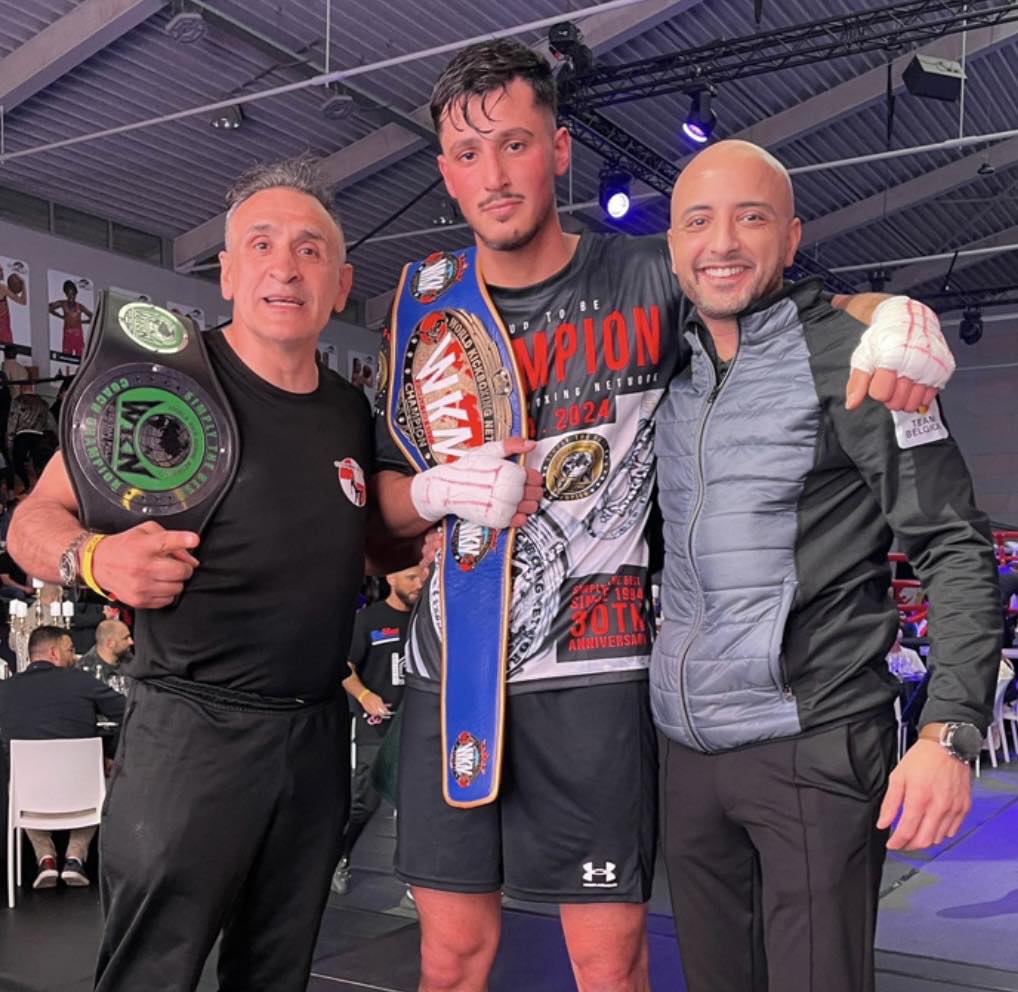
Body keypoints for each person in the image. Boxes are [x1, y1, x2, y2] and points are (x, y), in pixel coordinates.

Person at [371, 38, 958, 992]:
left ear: (560, 151)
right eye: (470, 154)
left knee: (611, 965)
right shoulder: (424, 307)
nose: (495, 175)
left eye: (516, 144)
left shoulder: (648, 272)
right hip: (458, 668)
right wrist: (432, 494)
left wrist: (889, 311)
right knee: (448, 957)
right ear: (446, 171)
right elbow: (385, 505)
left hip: (602, 677)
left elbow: (769, 298)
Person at [7, 156, 537, 992]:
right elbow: (30, 522)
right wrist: (96, 558)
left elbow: (363, 542)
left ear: (340, 284)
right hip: (191, 731)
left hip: (315, 735)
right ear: (227, 272)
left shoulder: (347, 410)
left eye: (309, 249)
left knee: (277, 974)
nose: (285, 268)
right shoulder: (162, 381)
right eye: (261, 245)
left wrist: (440, 503)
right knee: (151, 975)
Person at [653, 139, 1001, 992]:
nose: (722, 242)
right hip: (687, 753)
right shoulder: (664, 364)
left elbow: (953, 543)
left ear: (792, 235)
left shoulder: (859, 357)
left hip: (814, 743)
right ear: (673, 244)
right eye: (699, 221)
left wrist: (949, 730)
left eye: (751, 217)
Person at [0, 625, 125, 889]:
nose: (75, 656)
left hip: (29, 799)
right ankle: (75, 857)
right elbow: (127, 712)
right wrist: (109, 753)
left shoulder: (6, 689)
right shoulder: (80, 681)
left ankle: (45, 858)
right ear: (54, 653)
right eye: (70, 650)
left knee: (20, 779)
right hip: (82, 795)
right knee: (97, 777)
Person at [332, 564, 425, 895]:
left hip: (416, 725)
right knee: (365, 802)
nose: (418, 584)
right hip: (377, 728)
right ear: (391, 578)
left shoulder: (427, 620)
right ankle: (339, 856)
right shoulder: (369, 620)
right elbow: (344, 667)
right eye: (411, 577)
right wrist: (364, 696)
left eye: (422, 577)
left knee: (417, 802)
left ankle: (417, 875)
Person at [77, 619, 134, 687]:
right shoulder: (85, 672)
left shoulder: (129, 658)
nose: (131, 642)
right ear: (110, 643)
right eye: (126, 638)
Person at [49, 280, 93, 358]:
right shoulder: (63, 303)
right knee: (66, 358)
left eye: (73, 294)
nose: (71, 297)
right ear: (66, 294)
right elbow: (49, 307)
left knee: (80, 359)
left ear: (76, 294)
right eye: (69, 294)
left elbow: (93, 317)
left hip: (78, 337)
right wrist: (61, 316)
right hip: (67, 336)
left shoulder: (80, 306)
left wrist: (82, 322)